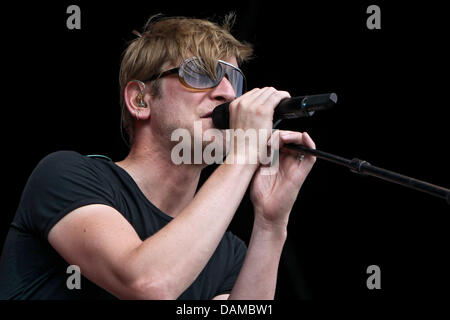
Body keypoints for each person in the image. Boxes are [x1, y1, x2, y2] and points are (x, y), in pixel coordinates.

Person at [0, 14, 316, 300]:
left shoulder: (225, 251)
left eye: (232, 80)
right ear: (141, 100)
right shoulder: (65, 175)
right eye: (201, 73)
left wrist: (270, 224)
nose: (228, 94)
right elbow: (148, 284)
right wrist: (245, 153)